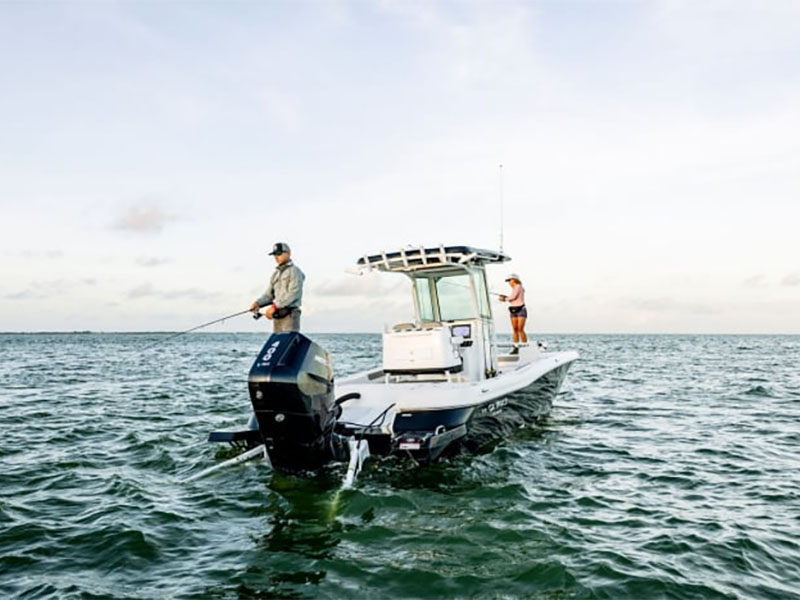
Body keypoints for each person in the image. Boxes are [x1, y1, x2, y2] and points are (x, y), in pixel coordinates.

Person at [249, 242, 305, 333]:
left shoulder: (295, 271)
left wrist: (274, 307)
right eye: (274, 254)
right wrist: (257, 303)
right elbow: (269, 295)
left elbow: (293, 294)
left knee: (288, 344)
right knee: (278, 344)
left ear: (288, 253)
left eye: (279, 254)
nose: (276, 257)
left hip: (290, 315)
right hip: (277, 316)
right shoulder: (275, 274)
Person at [498, 273, 526, 354]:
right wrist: (506, 298)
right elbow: (513, 298)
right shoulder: (514, 289)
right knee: (515, 330)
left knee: (520, 329)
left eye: (510, 280)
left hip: (521, 309)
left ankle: (525, 347)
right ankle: (516, 348)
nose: (509, 283)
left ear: (514, 280)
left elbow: (513, 297)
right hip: (513, 310)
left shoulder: (518, 286)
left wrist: (505, 299)